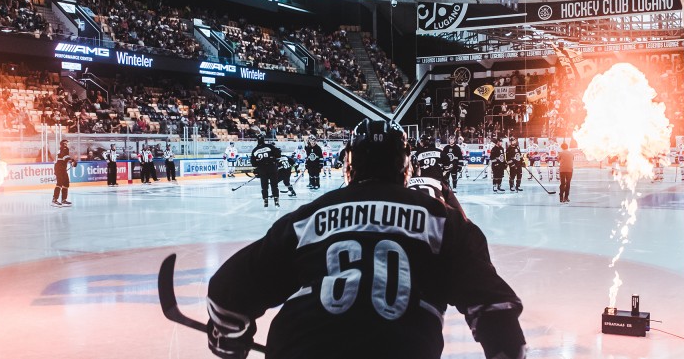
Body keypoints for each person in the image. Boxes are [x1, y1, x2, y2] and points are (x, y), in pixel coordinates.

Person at [205, 118, 526, 359]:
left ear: (349, 165)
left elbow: (228, 292)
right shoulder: (441, 219)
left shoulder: (309, 216)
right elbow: (492, 306)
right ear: (405, 167)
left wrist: (231, 340)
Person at [250, 137, 281, 207]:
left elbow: (253, 163)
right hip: (272, 168)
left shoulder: (255, 150)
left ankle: (265, 201)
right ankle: (276, 200)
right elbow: (278, 154)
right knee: (274, 185)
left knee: (264, 186)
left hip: (262, 169)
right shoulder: (269, 146)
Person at [51, 139, 76, 207]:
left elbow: (64, 157)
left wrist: (71, 160)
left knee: (66, 183)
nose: (66, 144)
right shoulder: (64, 148)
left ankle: (63, 200)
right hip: (59, 169)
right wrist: (71, 161)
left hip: (61, 168)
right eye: (65, 143)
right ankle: (54, 200)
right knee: (59, 183)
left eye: (67, 143)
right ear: (63, 144)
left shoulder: (61, 149)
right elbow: (65, 157)